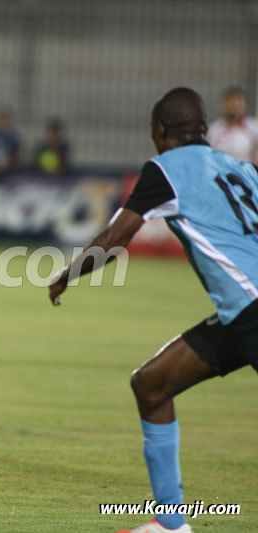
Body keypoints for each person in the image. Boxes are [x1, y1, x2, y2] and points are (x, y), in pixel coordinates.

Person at [49, 87, 258, 533]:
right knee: (152, 384)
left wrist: (68, 273)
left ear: (160, 131)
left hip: (252, 309)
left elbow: (114, 238)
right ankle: (170, 523)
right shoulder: (243, 169)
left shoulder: (165, 171)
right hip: (240, 313)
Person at [207, 86, 258, 164]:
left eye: (238, 100)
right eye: (229, 101)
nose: (233, 105)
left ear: (245, 105)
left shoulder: (254, 128)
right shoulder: (213, 129)